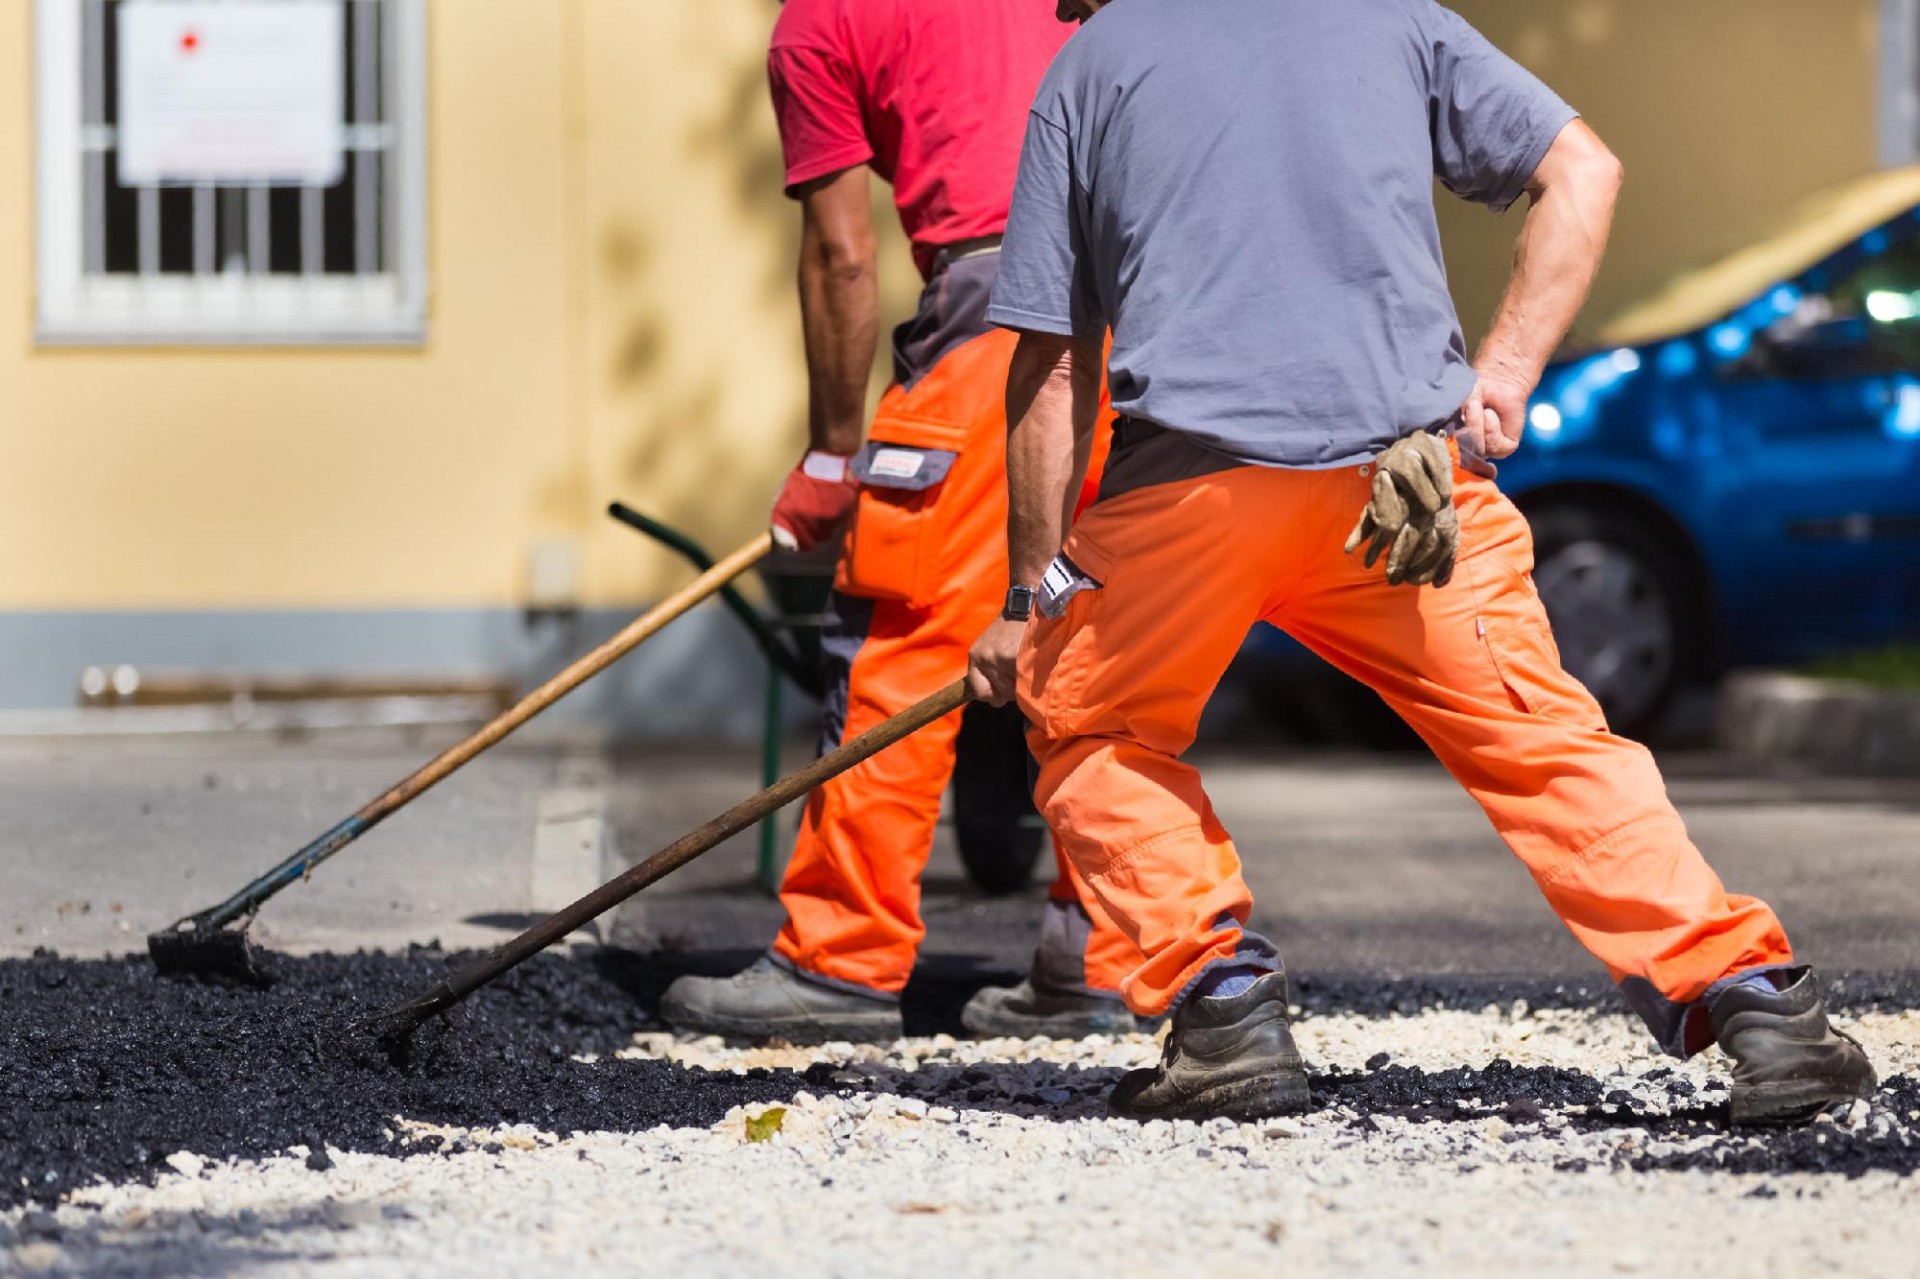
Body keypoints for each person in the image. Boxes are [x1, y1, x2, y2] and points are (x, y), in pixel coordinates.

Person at [966, 0, 1876, 1126]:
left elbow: (1053, 372)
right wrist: (1503, 374)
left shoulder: (1089, 65)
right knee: (1546, 746)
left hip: (1189, 497)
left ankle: (1222, 1007)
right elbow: (1583, 171)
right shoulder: (1393, 16)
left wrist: (1028, 603)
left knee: (1091, 723)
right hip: (1409, 493)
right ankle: (1752, 1000)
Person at [661, 0, 1142, 1043]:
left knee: (904, 634)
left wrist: (833, 457)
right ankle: (1096, 953)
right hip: (1154, 304)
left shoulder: (819, 22)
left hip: (1001, 313)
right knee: (1099, 634)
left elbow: (840, 257)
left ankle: (840, 960)